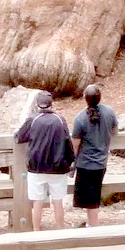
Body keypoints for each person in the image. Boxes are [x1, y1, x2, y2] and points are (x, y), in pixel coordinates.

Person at [14, 90, 75, 230]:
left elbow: (18, 137)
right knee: (58, 201)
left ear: (37, 104)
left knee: (37, 202)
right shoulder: (60, 120)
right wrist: (71, 162)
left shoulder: (32, 120)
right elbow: (68, 143)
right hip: (58, 168)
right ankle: (60, 230)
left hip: (37, 167)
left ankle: (37, 232)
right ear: (51, 104)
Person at [71, 85, 118, 226]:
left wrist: (72, 162)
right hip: (101, 162)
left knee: (90, 200)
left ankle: (93, 226)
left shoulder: (80, 119)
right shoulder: (109, 112)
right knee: (94, 196)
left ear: (85, 99)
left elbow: (75, 144)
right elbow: (114, 131)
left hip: (85, 164)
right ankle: (91, 224)